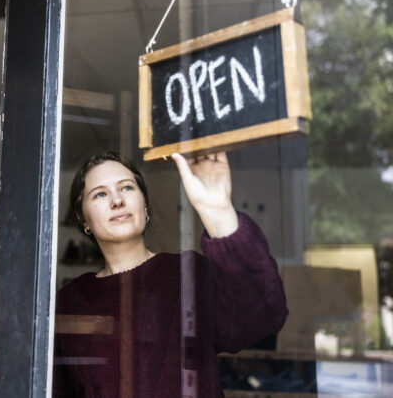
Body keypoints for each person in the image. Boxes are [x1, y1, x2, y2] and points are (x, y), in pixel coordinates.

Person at [53, 151, 288, 397]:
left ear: (144, 206)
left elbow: (263, 316)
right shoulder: (70, 302)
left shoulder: (189, 274)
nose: (117, 200)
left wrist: (218, 212)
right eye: (100, 194)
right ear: (83, 219)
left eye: (127, 188)